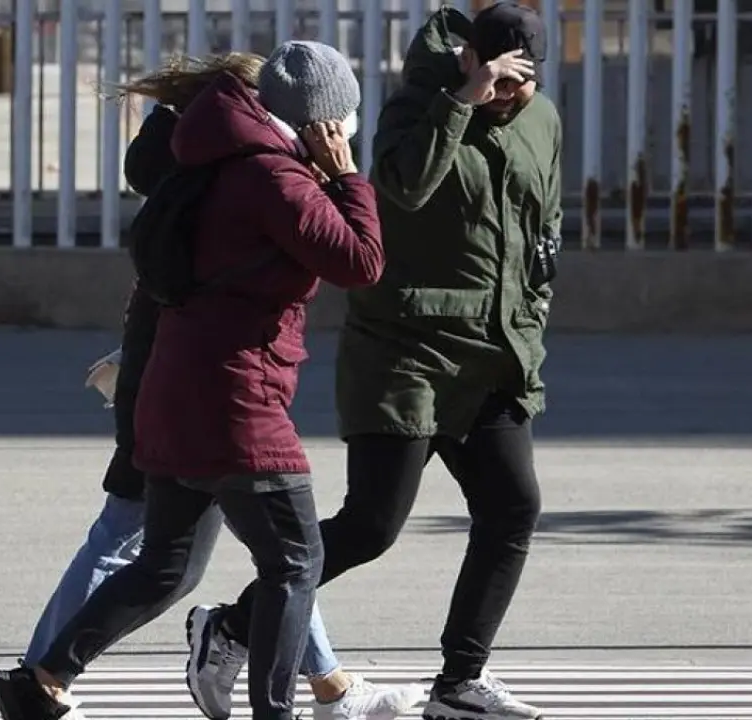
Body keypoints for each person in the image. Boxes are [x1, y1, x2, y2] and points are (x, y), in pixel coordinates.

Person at [0, 40, 400, 720]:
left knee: (167, 566)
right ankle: (276, 711)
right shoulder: (273, 177)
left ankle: (43, 681)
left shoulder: (213, 157)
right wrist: (348, 177)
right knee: (296, 563)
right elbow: (361, 261)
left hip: (177, 391)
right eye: (343, 120)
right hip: (238, 399)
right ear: (322, 120)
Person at [187, 4, 561, 720]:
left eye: (524, 79)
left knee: (513, 507)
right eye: (498, 76)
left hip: (493, 354)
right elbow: (401, 188)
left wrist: (533, 309)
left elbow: (544, 224)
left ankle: (460, 682)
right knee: (371, 525)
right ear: (468, 60)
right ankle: (229, 627)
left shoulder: (541, 119)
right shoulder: (418, 107)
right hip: (404, 351)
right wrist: (462, 102)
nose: (511, 93)